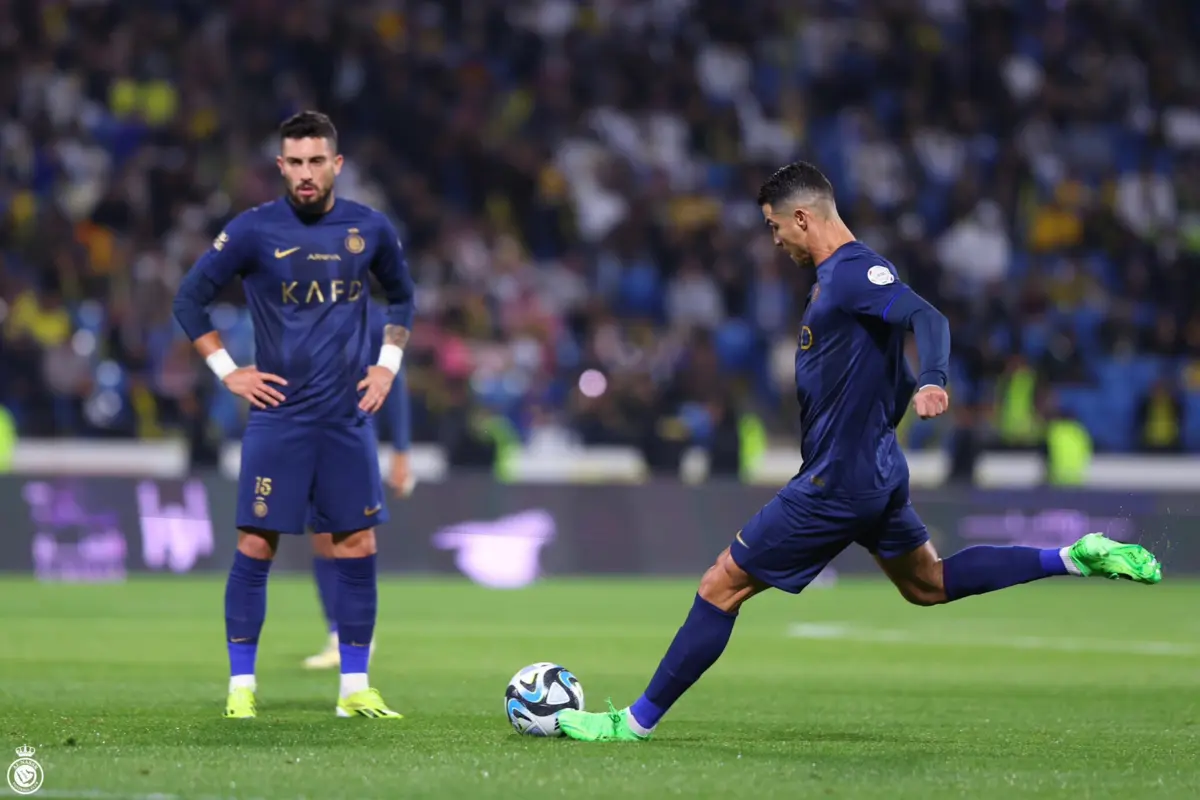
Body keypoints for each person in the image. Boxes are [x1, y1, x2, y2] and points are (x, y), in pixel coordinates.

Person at [556, 161, 1163, 743]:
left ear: (801, 217)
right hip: (874, 470)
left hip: (838, 480)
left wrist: (935, 380)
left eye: (773, 226)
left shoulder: (853, 273)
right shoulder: (839, 282)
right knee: (928, 582)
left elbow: (928, 318)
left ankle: (632, 723)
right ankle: (1074, 557)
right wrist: (893, 405)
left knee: (722, 584)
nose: (774, 241)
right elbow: (887, 375)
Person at [172, 110, 415, 720]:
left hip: (346, 421)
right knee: (256, 545)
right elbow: (190, 299)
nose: (306, 174)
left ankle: (354, 688)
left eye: (317, 162)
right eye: (296, 163)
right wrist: (229, 371)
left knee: (357, 544)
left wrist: (387, 365)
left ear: (337, 164)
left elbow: (403, 296)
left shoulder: (369, 228)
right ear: (281, 166)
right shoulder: (253, 230)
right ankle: (241, 688)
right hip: (279, 419)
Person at [304, 300, 414, 670]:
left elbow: (394, 382)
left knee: (355, 536)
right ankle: (337, 634)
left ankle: (357, 634)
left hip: (352, 436)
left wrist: (401, 451)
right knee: (321, 537)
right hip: (307, 435)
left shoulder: (372, 318)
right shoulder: (299, 310)